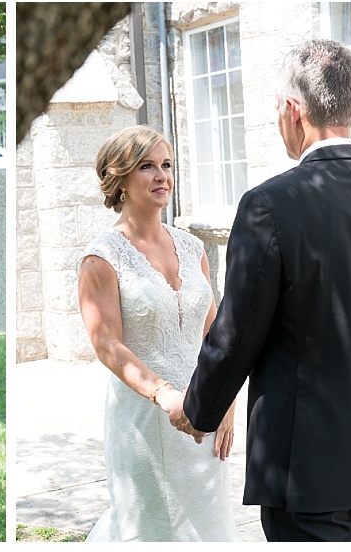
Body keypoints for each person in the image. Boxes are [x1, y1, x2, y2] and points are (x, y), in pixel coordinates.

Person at [170, 38, 351, 542]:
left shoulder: (270, 204)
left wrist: (198, 409)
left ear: (293, 111)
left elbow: (237, 331)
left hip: (307, 467)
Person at [77, 125, 241, 541]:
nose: (161, 176)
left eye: (166, 165)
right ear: (120, 177)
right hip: (144, 421)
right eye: (146, 166)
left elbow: (214, 334)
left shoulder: (192, 248)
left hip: (203, 416)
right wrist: (163, 393)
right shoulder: (101, 257)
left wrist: (227, 404)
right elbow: (106, 344)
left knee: (209, 530)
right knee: (151, 531)